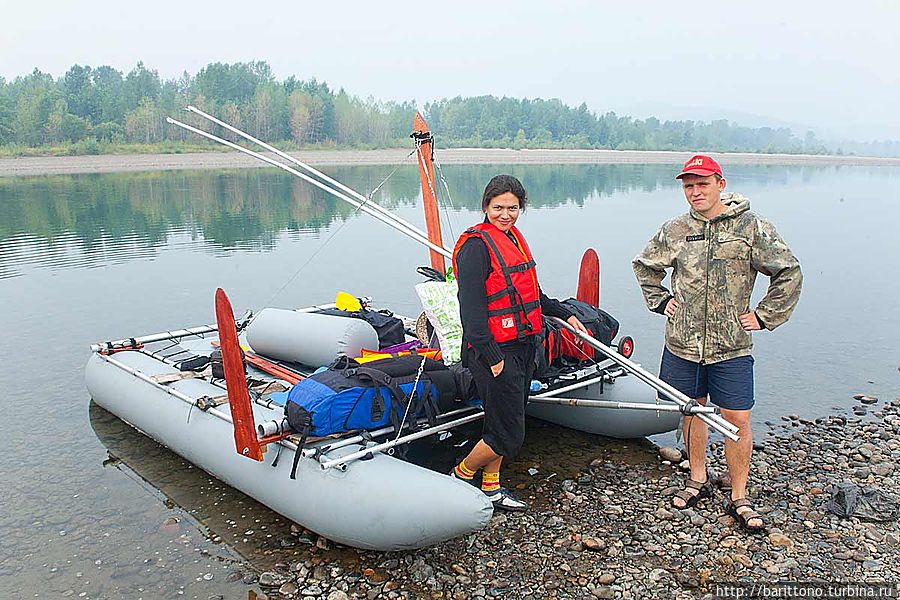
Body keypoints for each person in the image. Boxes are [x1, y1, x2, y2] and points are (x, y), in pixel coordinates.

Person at [632, 155, 802, 532]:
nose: (695, 192)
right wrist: (660, 301)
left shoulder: (750, 227)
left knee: (737, 418)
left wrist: (765, 315)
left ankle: (739, 494)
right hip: (682, 344)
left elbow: (788, 271)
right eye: (688, 185)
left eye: (702, 184)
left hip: (732, 347)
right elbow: (645, 266)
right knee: (692, 412)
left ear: (720, 184)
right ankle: (698, 476)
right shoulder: (675, 230)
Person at [450, 174, 588, 512]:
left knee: (503, 420)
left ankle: (492, 486)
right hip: (492, 352)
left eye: (513, 208)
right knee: (508, 433)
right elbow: (471, 312)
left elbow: (533, 296)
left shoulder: (513, 240)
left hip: (524, 344)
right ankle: (459, 474)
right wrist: (493, 356)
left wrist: (564, 313)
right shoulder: (475, 248)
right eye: (498, 207)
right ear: (485, 206)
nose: (505, 214)